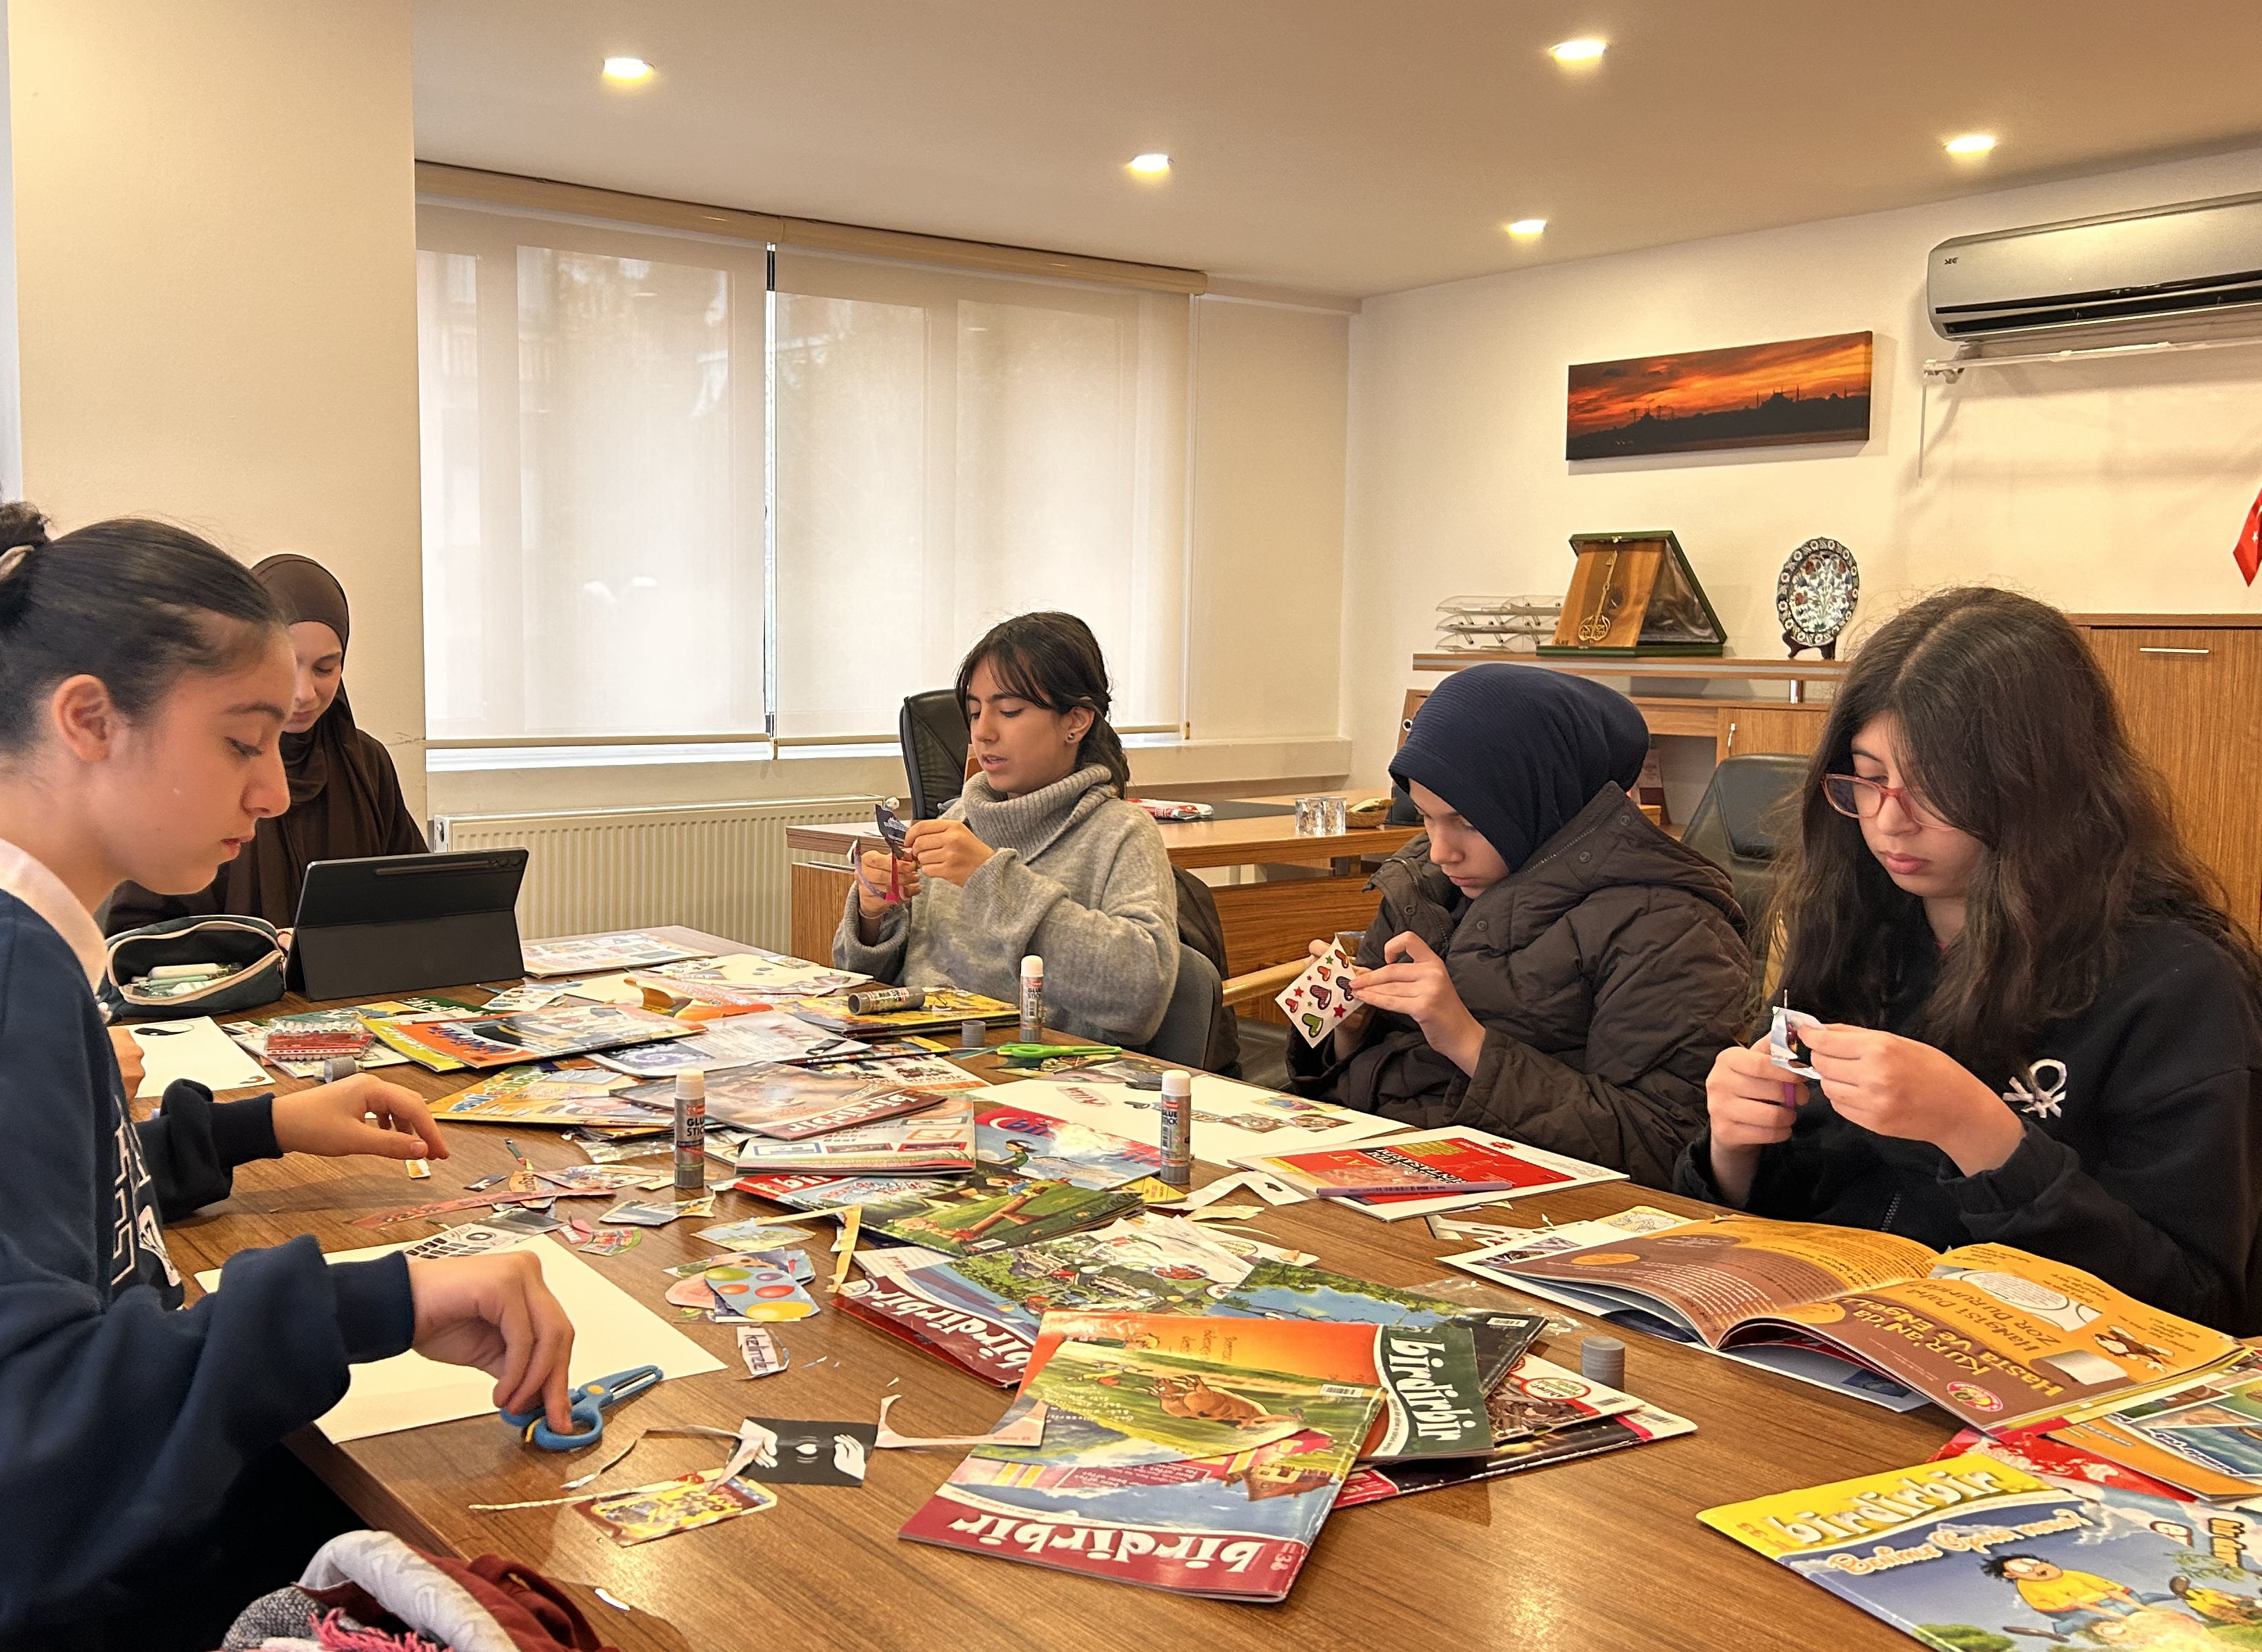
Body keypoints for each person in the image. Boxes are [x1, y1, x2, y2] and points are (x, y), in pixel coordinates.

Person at [0, 504, 574, 1652]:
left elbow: (18, 1201)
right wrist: (375, 1302)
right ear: (88, 719)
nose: (274, 788)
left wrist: (254, 1126)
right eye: (242, 741)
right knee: (537, 1608)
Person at [1694, 587, 2262, 1330]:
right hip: (1826, 1342)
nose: (1890, 820)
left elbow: (2200, 1305)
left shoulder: (2178, 985)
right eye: (1868, 777)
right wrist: (1732, 1151)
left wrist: (1979, 1134)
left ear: (2039, 785)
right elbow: (1791, 1209)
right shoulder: (1854, 928)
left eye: (1937, 789)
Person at [1287, 662, 1753, 1187]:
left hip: (1523, 1201)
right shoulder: (1426, 882)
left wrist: (1468, 1041)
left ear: (1546, 800)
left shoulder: (1671, 927)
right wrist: (1349, 1028)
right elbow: (1358, 1076)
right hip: (1361, 1156)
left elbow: (1663, 1146)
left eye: (1468, 822)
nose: (1440, 850)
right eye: (1425, 817)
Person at [836, 611, 1179, 1046]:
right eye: (975, 713)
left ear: (1076, 721)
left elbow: (1140, 998)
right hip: (921, 1058)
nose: (983, 733)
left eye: (1010, 711)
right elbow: (861, 985)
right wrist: (873, 916)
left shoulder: (1121, 833)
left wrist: (991, 880)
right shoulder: (955, 821)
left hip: (1042, 1072)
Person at [105, 551, 427, 933]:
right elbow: (135, 936)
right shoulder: (195, 760)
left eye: (325, 668)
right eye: (288, 665)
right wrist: (255, 950)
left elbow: (418, 898)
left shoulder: (366, 763)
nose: (304, 693)